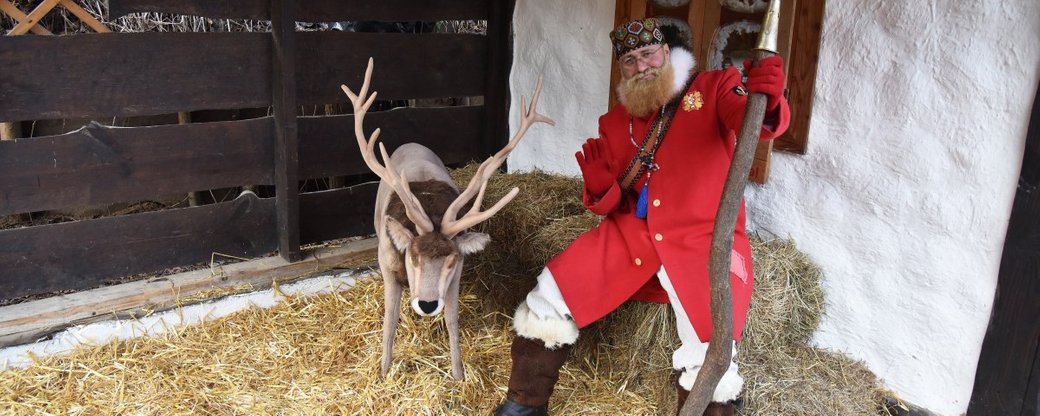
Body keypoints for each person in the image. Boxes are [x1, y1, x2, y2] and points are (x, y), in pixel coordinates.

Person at [493, 17, 790, 416]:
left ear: (667, 54)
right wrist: (600, 189)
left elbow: (756, 122)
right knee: (547, 299)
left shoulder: (713, 88)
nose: (642, 66)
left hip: (702, 239)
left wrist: (766, 99)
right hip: (631, 237)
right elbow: (616, 203)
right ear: (622, 68)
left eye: (649, 54)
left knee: (710, 347)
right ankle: (524, 405)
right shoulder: (615, 122)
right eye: (630, 60)